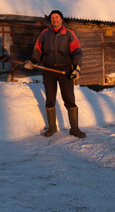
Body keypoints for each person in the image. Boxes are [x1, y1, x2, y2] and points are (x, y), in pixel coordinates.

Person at [24, 10, 85, 138]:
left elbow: (77, 52)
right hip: (48, 70)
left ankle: (74, 128)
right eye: (52, 18)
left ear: (61, 19)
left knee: (69, 98)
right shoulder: (44, 34)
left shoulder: (69, 34)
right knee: (50, 98)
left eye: (57, 17)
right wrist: (32, 61)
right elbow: (37, 51)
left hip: (65, 70)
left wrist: (76, 68)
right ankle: (52, 128)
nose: (54, 20)